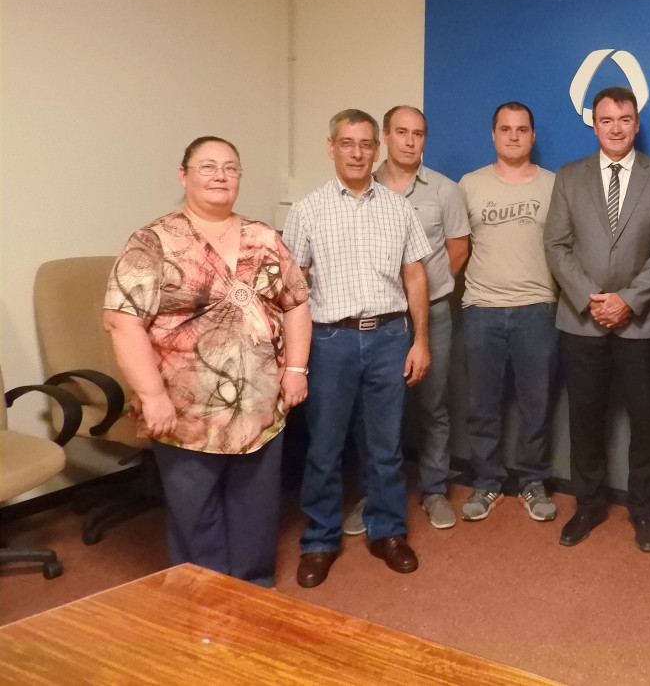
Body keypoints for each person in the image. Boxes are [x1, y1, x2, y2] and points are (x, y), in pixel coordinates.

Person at [104, 136, 311, 588]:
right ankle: (206, 607)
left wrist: (296, 369)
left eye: (231, 168)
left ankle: (255, 590)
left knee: (256, 510)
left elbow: (296, 302)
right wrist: (152, 395)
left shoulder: (263, 237)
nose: (220, 176)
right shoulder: (152, 242)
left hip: (260, 406)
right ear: (183, 175)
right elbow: (122, 322)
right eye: (207, 166)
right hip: (185, 411)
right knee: (196, 514)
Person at [284, 109, 432, 587]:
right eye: (347, 143)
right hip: (331, 340)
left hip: (390, 336)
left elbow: (415, 275)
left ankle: (387, 532)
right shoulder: (306, 211)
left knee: (386, 447)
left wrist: (420, 340)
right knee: (324, 448)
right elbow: (293, 288)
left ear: (377, 149)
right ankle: (321, 540)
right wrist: (295, 359)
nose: (357, 152)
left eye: (366, 144)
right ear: (331, 147)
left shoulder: (398, 207)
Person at [544, 85, 650, 552]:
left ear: (637, 122)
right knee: (585, 421)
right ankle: (587, 506)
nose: (616, 127)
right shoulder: (568, 177)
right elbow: (556, 246)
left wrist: (626, 299)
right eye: (607, 120)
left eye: (625, 118)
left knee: (646, 424)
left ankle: (643, 512)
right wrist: (593, 299)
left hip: (643, 324)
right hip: (581, 322)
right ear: (594, 124)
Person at [340, 106, 470, 532]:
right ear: (385, 138)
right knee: (374, 410)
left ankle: (434, 490)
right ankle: (374, 493)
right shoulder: (362, 187)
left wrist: (424, 294)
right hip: (377, 318)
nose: (411, 141)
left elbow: (458, 248)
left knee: (433, 405)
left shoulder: (445, 191)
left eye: (418, 134)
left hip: (431, 313)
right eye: (401, 132)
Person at [457, 102, 559, 522]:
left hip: (537, 308)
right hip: (482, 308)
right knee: (483, 404)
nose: (514, 136)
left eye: (522, 129)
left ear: (533, 136)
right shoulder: (469, 185)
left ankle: (532, 481)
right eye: (505, 129)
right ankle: (486, 482)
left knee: (536, 404)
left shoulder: (555, 184)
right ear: (494, 135)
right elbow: (456, 245)